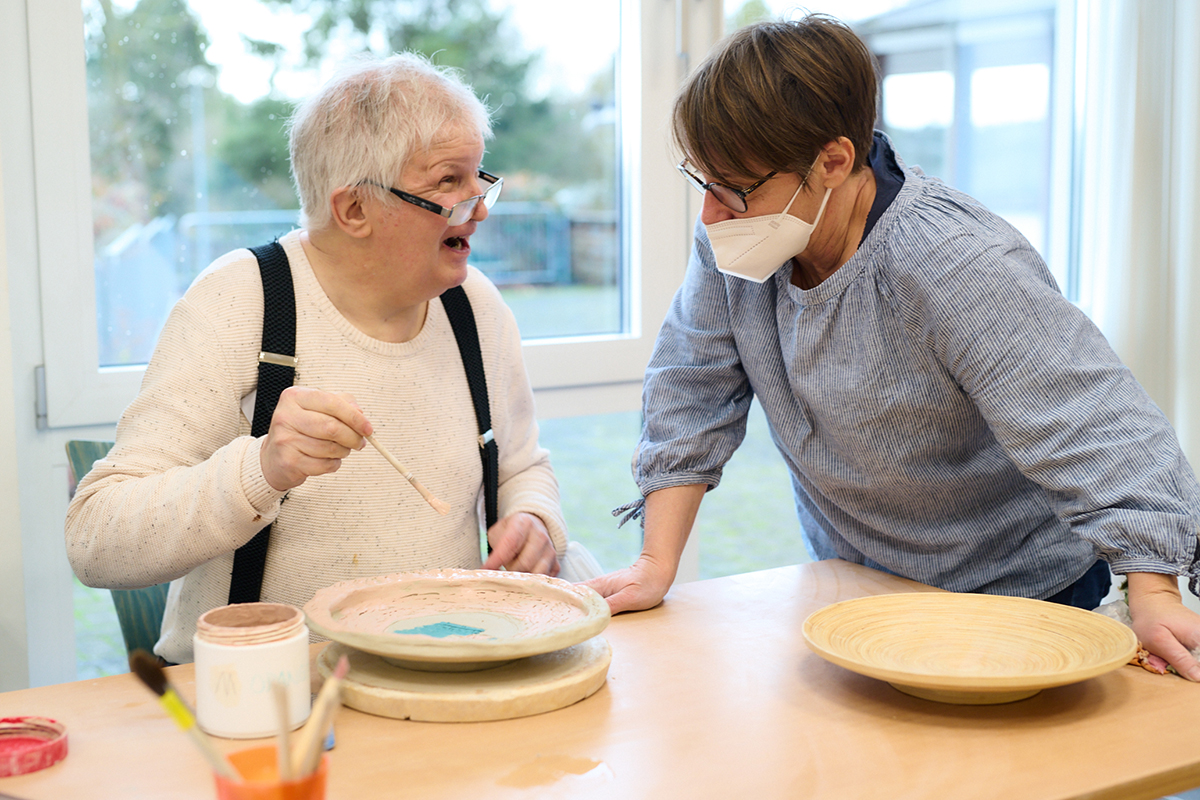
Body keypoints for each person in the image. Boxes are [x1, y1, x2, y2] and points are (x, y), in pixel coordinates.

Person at [585, 15, 1200, 678]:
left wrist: (1155, 589)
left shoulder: (955, 262)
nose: (709, 217)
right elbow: (691, 388)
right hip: (862, 584)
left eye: (734, 189)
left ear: (832, 161)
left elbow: (1094, 425)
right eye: (701, 182)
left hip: (1018, 593)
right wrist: (655, 564)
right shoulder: (739, 243)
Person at [66, 53, 570, 665]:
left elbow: (522, 467)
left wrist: (534, 520)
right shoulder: (240, 301)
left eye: (477, 177)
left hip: (437, 683)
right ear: (354, 209)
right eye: (448, 182)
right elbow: (97, 540)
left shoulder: (475, 308)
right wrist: (263, 467)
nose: (480, 207)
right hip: (257, 698)